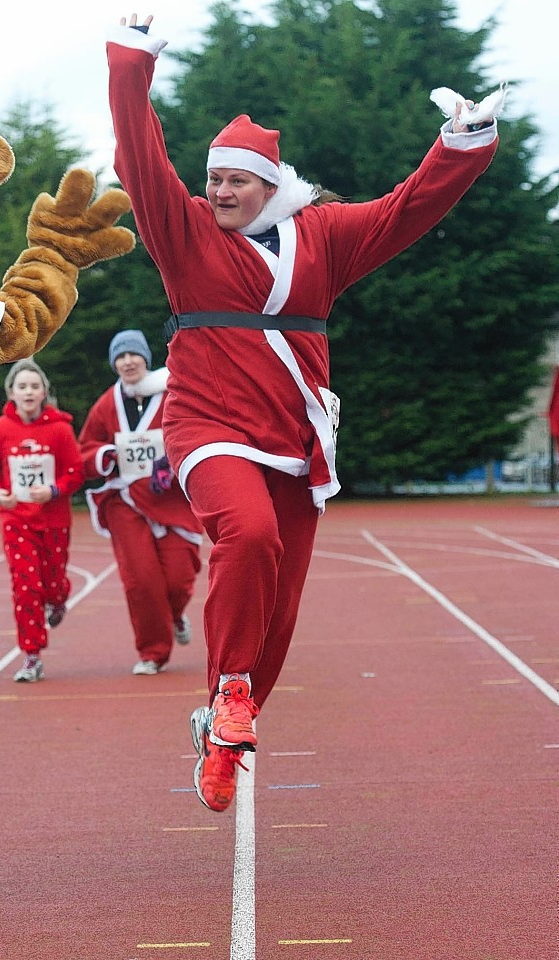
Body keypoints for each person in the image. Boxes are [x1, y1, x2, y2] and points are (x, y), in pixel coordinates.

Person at [107, 14, 503, 812]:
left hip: (294, 438)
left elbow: (404, 212)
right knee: (246, 536)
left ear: (269, 184)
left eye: (234, 180)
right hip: (207, 425)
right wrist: (133, 61)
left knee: (280, 609)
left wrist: (462, 142)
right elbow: (139, 154)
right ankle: (228, 703)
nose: (217, 190)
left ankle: (226, 715)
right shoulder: (181, 229)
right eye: (213, 177)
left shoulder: (322, 235)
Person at [78, 328, 202, 676]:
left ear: (146, 358)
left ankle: (174, 615)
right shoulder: (106, 405)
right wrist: (106, 454)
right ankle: (153, 652)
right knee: (141, 581)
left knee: (179, 577)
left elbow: (197, 428)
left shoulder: (173, 393)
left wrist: (178, 459)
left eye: (133, 354)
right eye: (120, 356)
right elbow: (84, 450)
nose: (127, 361)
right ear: (113, 363)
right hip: (125, 501)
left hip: (172, 498)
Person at [0, 358, 84, 682]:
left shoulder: (60, 429)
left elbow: (75, 472)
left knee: (51, 583)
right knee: (26, 586)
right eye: (22, 386)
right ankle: (32, 655)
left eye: (34, 386)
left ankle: (60, 595)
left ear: (44, 392)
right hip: (16, 519)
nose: (28, 392)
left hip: (53, 520)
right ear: (11, 392)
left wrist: (54, 490)